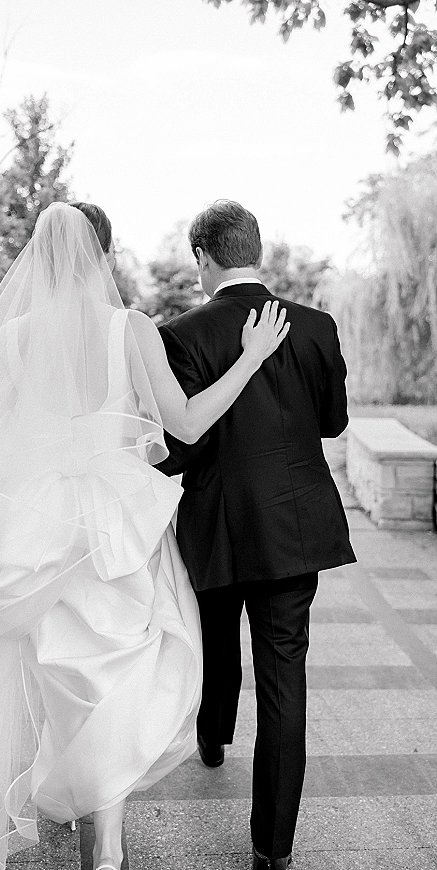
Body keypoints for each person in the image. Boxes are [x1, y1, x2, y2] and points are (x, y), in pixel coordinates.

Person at [0, 201, 289, 870]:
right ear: (106, 257)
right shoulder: (131, 330)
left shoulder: (15, 337)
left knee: (50, 670)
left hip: (38, 519)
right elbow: (183, 425)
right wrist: (251, 359)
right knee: (115, 670)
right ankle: (106, 838)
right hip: (113, 519)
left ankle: (68, 801)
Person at [156, 200, 356, 870]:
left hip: (218, 523)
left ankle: (213, 737)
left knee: (216, 636)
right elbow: (331, 423)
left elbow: (178, 448)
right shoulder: (317, 327)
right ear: (256, 250)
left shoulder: (182, 333)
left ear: (202, 257)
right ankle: (274, 849)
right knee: (283, 678)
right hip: (297, 525)